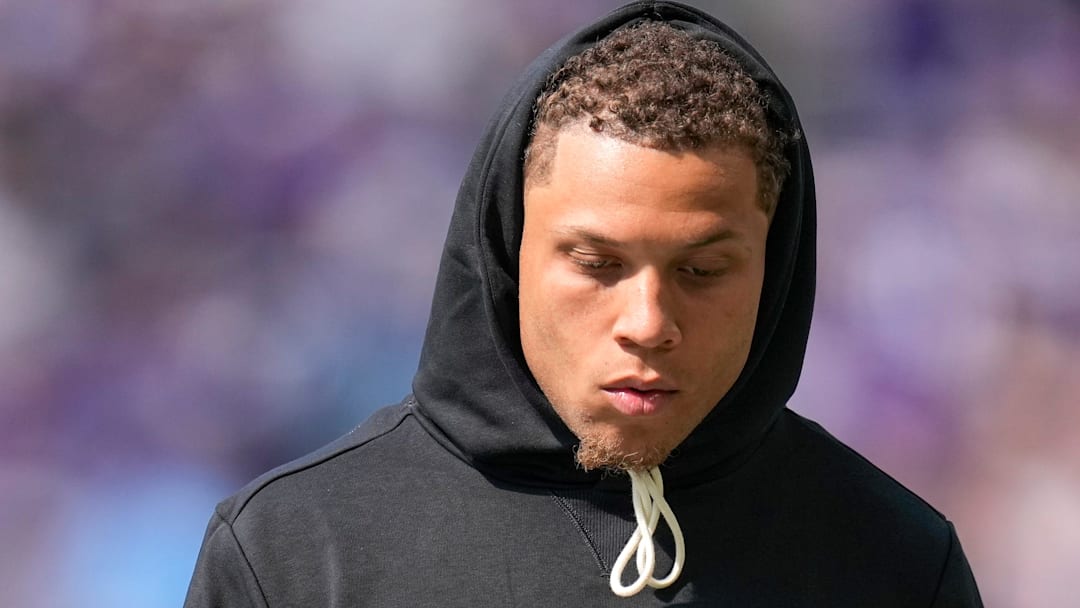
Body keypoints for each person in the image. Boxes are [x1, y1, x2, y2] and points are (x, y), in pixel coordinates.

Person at [184, 2, 982, 605]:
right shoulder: (296, 553)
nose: (647, 324)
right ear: (507, 250)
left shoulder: (895, 564)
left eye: (703, 271)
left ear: (773, 268)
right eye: (597, 264)